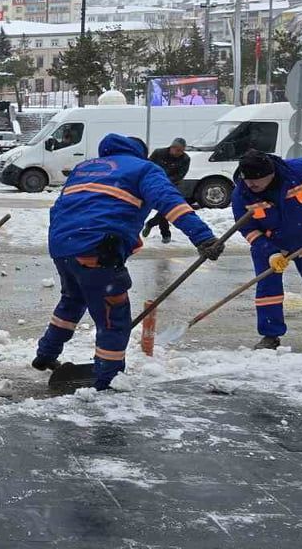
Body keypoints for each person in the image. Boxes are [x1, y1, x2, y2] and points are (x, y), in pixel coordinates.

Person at [33, 134, 225, 389]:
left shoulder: (85, 168)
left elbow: (60, 207)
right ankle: (107, 378)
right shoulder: (143, 169)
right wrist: (203, 238)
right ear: (140, 153)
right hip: (98, 248)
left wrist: (67, 241)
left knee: (73, 299)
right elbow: (171, 203)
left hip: (62, 245)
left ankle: (46, 354)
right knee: (114, 316)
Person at [232, 149, 302, 351]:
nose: (251, 184)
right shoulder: (242, 195)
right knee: (268, 290)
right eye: (247, 180)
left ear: (270, 173)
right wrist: (270, 252)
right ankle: (270, 335)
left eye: (256, 180)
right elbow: (247, 229)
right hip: (270, 245)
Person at [141, 138, 192, 244]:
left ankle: (155, 226)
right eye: (177, 150)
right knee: (156, 207)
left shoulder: (185, 158)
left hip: (171, 185)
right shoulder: (159, 153)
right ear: (172, 147)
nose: (179, 153)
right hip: (154, 183)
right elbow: (148, 166)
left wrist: (166, 181)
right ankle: (164, 233)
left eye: (181, 151)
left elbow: (180, 175)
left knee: (167, 208)